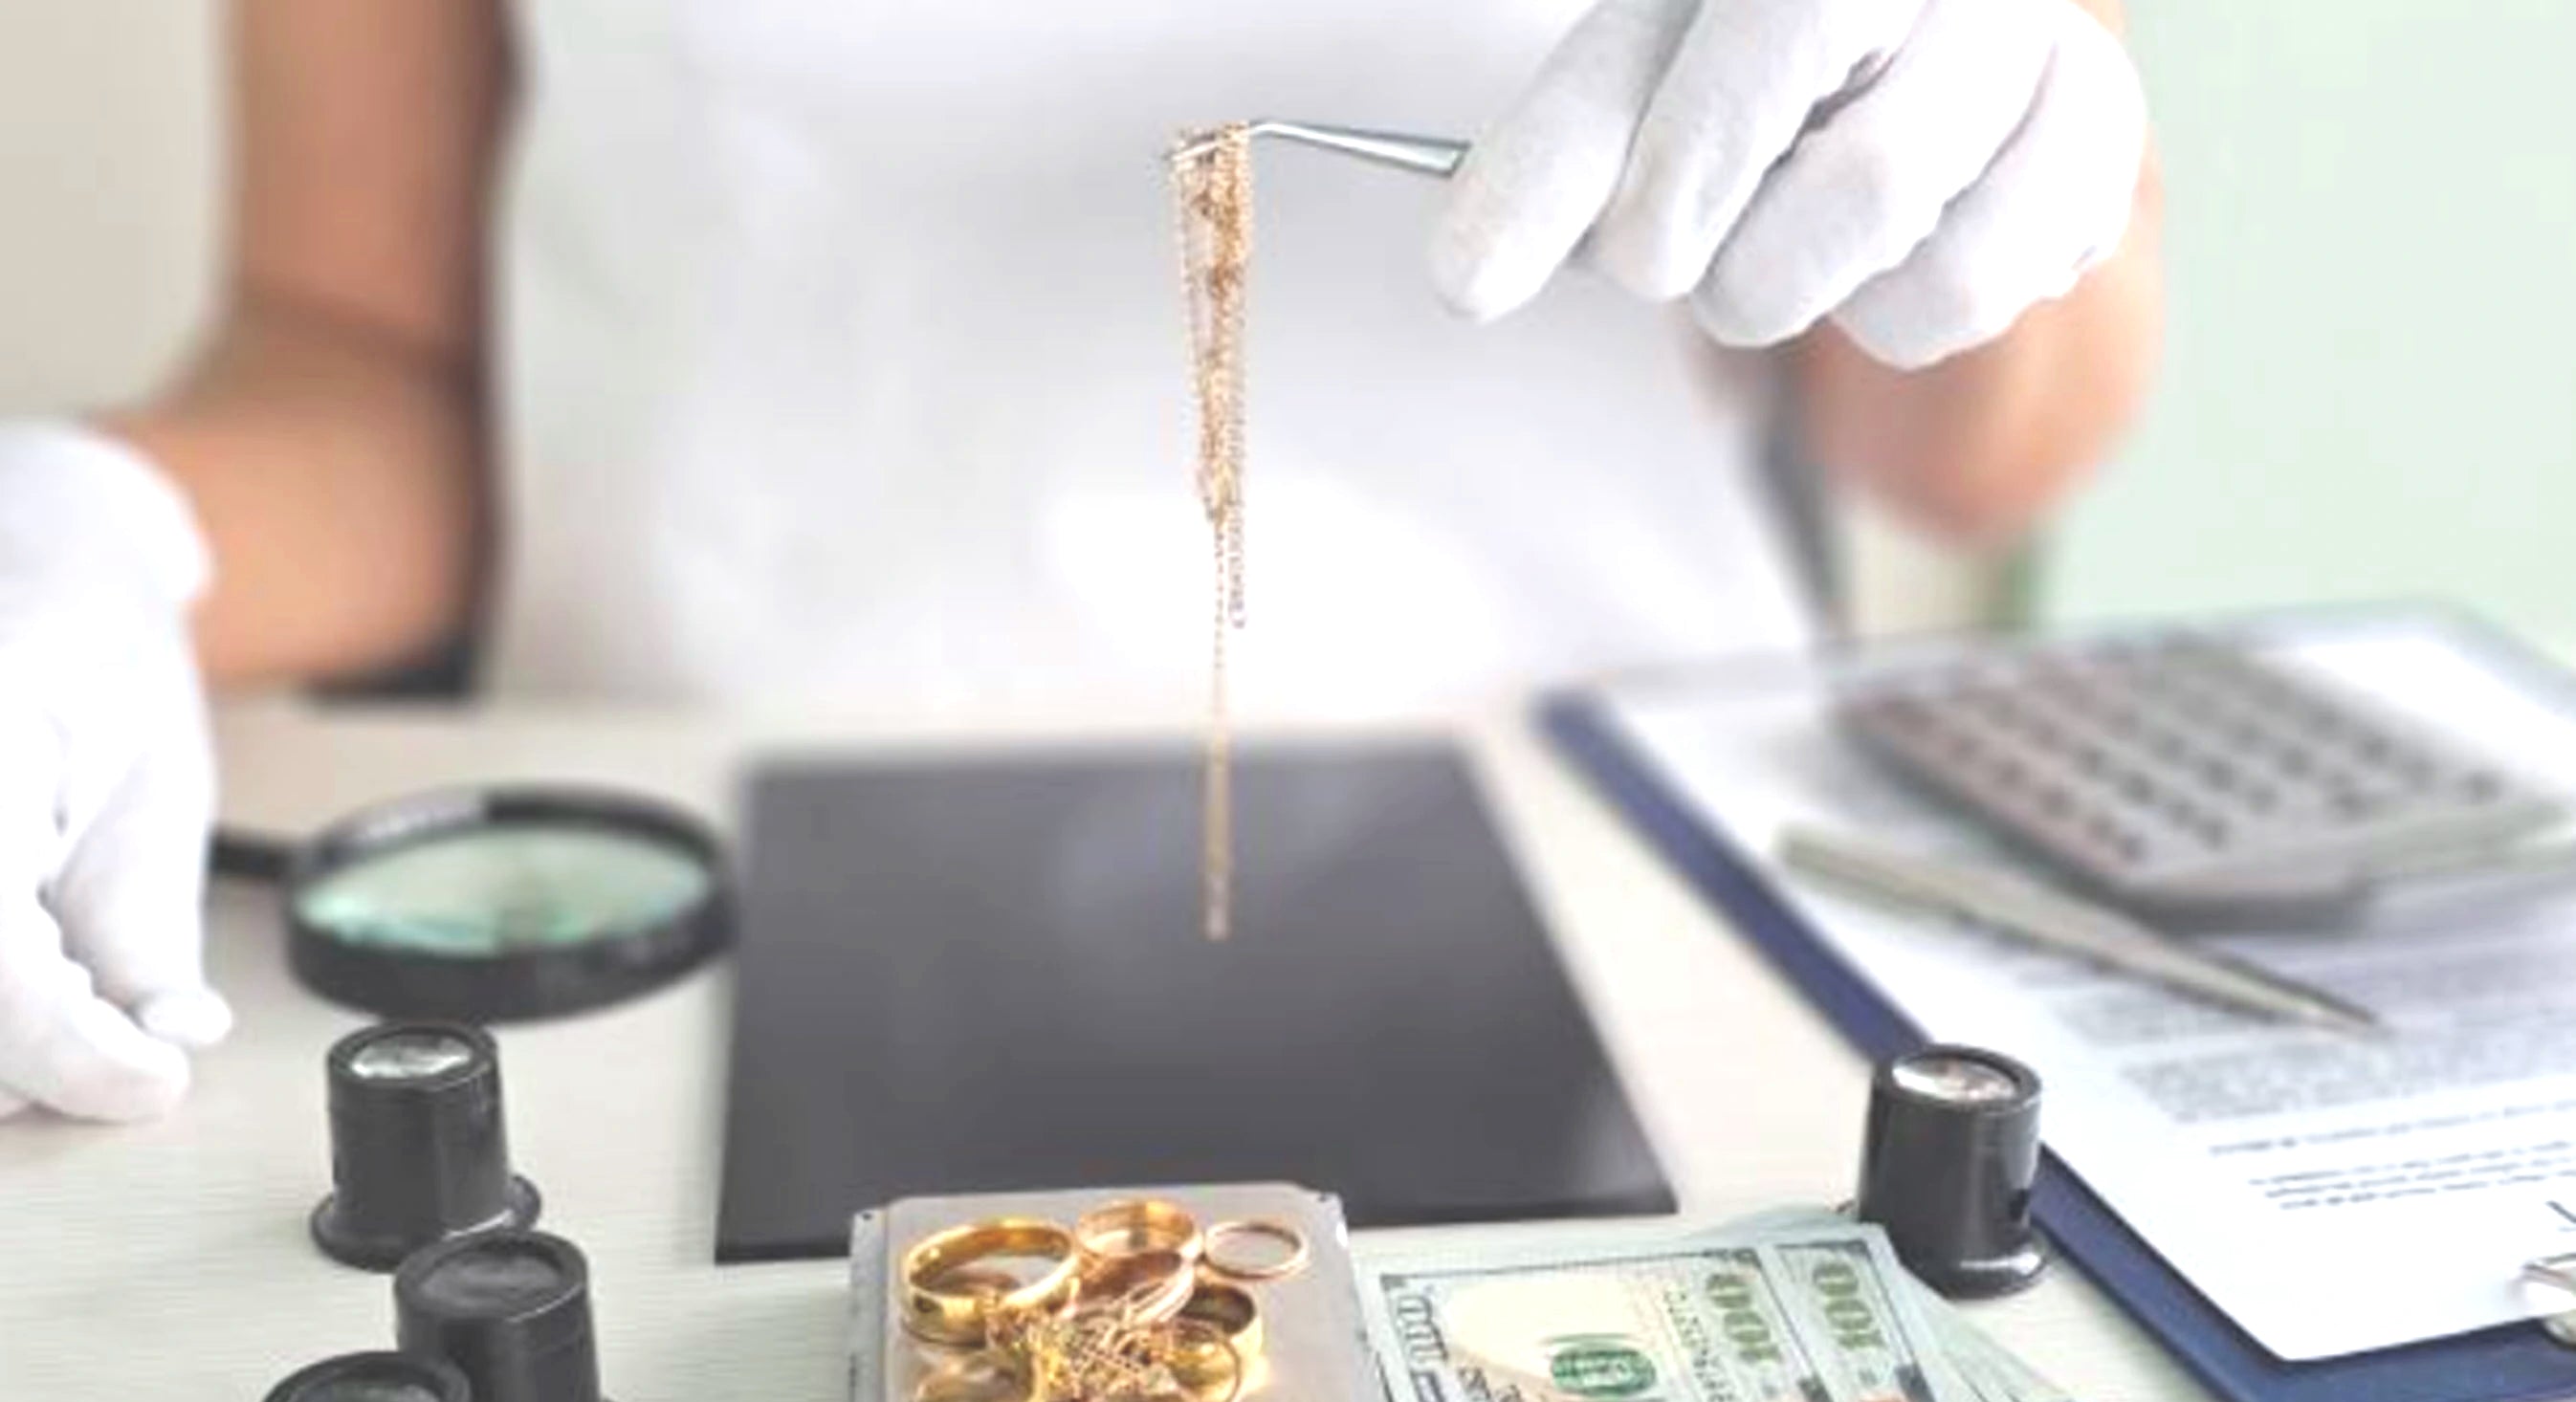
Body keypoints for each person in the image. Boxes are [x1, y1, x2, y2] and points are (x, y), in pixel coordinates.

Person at [0, 0, 2161, 1123]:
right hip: (679, 925)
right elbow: (368, 366)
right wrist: (93, 536)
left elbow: (1976, 458)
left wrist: (1998, 143)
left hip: (1643, 898)